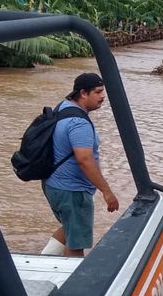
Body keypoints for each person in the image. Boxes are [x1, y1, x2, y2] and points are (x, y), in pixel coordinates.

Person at [41, 73, 120, 257]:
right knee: (76, 244)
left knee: (70, 228)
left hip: (52, 183)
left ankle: (44, 260)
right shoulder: (79, 123)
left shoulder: (63, 107)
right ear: (83, 93)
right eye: (98, 92)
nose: (102, 97)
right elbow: (84, 160)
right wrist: (106, 192)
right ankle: (70, 282)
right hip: (72, 190)